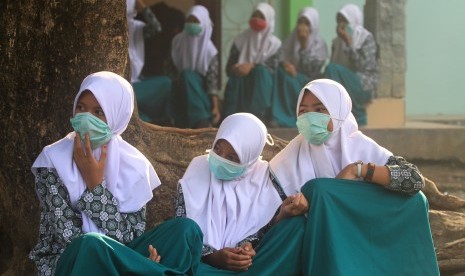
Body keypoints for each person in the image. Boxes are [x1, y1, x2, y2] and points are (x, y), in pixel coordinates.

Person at [29, 71, 203, 275]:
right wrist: (95, 186)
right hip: (67, 260)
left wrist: (95, 185)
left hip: (122, 255)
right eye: (81, 108)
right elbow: (68, 236)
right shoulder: (52, 160)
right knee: (90, 244)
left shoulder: (135, 166)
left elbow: (130, 235)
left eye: (98, 112)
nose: (86, 118)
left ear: (116, 116)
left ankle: (141, 269)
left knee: (184, 230)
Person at [269, 79, 440, 275]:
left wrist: (357, 170)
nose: (310, 117)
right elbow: (265, 217)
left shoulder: (361, 146)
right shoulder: (290, 156)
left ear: (339, 110)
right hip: (320, 240)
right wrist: (287, 211)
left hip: (361, 230)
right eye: (303, 111)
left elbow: (414, 179)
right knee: (318, 190)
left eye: (320, 109)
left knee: (417, 200)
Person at [176, 113, 307, 275]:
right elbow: (182, 229)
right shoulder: (198, 169)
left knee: (295, 226)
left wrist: (246, 249)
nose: (221, 159)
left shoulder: (265, 180)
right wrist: (213, 257)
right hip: (201, 265)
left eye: (232, 157)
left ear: (250, 158)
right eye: (217, 149)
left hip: (250, 266)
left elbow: (264, 229)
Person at [222, 3, 281, 124]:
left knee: (261, 72)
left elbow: (273, 68)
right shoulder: (240, 40)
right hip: (242, 81)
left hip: (263, 85)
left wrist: (252, 66)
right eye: (255, 15)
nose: (257, 19)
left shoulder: (275, 45)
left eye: (261, 17)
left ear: (269, 20)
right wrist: (237, 68)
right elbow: (228, 69)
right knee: (235, 77)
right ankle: (231, 119)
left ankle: (259, 116)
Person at [164, 5, 220, 128]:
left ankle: (201, 121)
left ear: (204, 24)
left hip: (201, 95)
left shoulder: (210, 52)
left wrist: (216, 107)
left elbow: (212, 84)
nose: (191, 24)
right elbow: (169, 71)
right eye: (189, 20)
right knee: (176, 80)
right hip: (180, 89)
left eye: (196, 21)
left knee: (187, 75)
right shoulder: (177, 42)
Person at [271, 7, 327, 128]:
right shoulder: (291, 39)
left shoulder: (320, 44)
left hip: (310, 81)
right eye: (300, 22)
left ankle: (294, 117)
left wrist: (304, 44)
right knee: (281, 74)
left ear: (314, 25)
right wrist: (286, 64)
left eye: (307, 23)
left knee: (291, 81)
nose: (302, 26)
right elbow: (280, 57)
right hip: (292, 77)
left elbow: (313, 70)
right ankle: (280, 117)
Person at [324, 3, 377, 126]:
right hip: (344, 81)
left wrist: (349, 44)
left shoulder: (365, 38)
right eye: (339, 21)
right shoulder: (336, 42)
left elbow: (363, 67)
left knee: (331, 69)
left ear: (354, 21)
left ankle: (357, 116)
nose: (341, 25)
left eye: (345, 21)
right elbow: (333, 70)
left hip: (363, 83)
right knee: (329, 72)